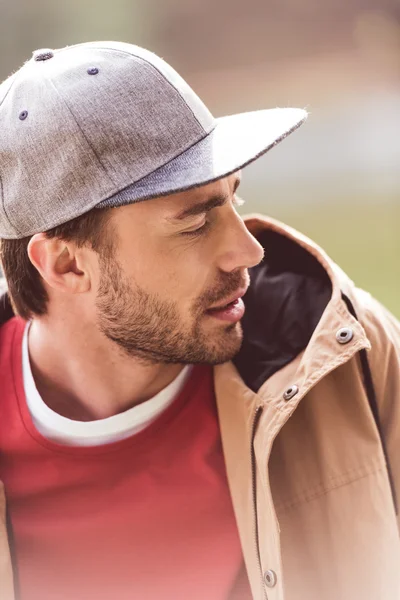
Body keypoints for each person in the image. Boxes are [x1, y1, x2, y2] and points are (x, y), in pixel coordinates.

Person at [0, 41, 399, 600]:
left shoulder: (347, 356)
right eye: (194, 223)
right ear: (66, 264)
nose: (249, 250)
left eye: (233, 199)